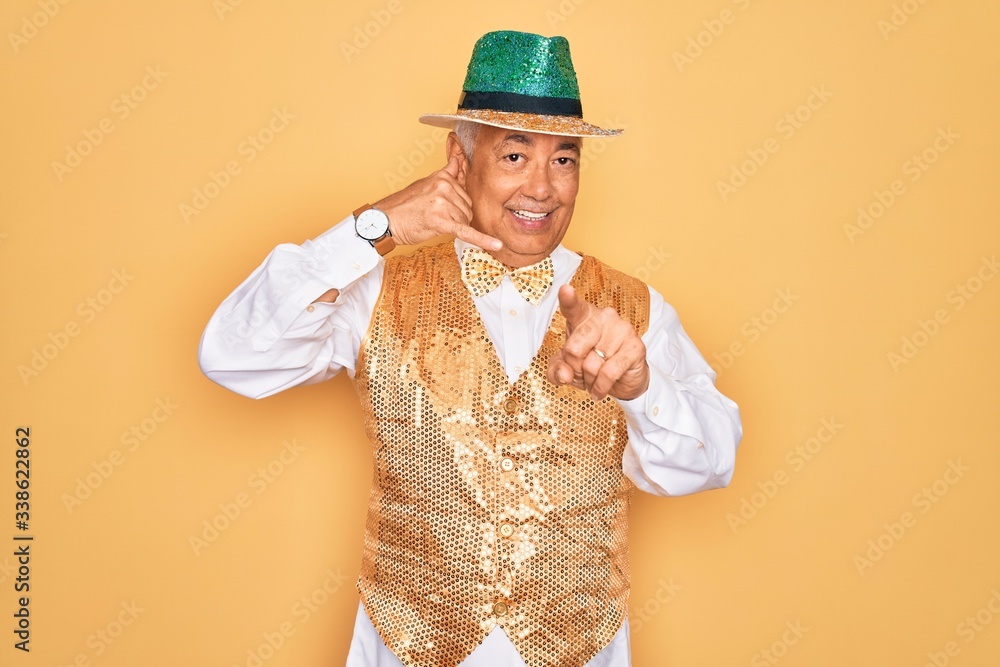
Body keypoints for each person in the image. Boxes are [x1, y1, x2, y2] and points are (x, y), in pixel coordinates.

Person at [199, 30, 742, 667]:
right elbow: (233, 353)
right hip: (406, 647)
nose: (542, 188)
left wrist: (643, 389)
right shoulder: (375, 288)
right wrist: (373, 228)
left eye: (563, 160)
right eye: (516, 156)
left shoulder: (632, 307)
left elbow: (713, 462)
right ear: (460, 161)